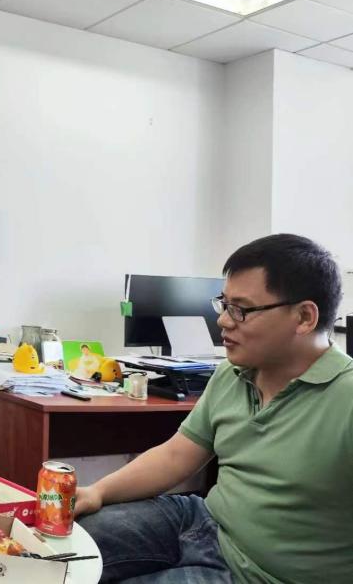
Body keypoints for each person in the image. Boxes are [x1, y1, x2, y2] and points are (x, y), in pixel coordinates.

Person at [77, 234, 353, 583]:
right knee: (66, 542)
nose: (223, 321)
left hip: (257, 574)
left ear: (304, 317)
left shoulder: (346, 398)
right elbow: (176, 455)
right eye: (224, 304)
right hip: (203, 522)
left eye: (241, 309)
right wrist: (97, 492)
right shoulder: (231, 372)